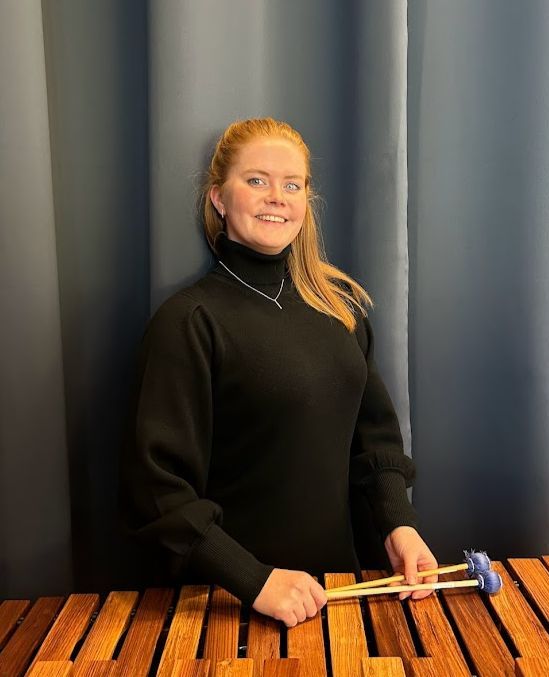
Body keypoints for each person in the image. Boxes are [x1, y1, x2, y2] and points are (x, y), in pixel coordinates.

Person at [121, 117, 437, 628]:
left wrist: (398, 524)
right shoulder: (189, 322)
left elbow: (374, 438)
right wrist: (254, 580)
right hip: (232, 605)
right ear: (219, 198)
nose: (277, 197)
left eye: (293, 185)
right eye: (257, 180)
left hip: (339, 594)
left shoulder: (340, 307)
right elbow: (157, 490)